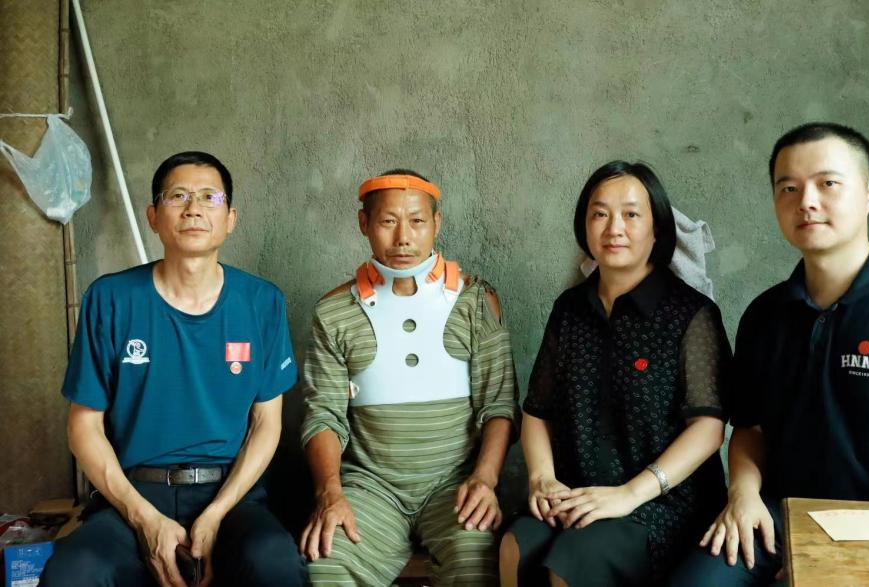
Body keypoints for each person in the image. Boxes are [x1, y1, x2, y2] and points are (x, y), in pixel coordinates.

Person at [669, 123, 869, 586]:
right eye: (788, 188)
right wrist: (742, 493)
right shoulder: (764, 314)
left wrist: (864, 535)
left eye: (827, 183)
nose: (806, 201)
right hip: (779, 520)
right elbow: (750, 428)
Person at [41, 151, 307, 587]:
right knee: (73, 571)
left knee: (274, 561)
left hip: (232, 495)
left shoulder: (262, 302)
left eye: (209, 197)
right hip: (132, 495)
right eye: (178, 196)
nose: (193, 208)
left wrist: (217, 513)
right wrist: (143, 518)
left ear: (230, 218)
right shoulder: (111, 299)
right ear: (153, 216)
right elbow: (83, 427)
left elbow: (267, 424)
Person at [499, 161, 731, 586]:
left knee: (575, 559)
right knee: (518, 544)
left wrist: (629, 494)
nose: (614, 229)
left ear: (657, 230)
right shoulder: (570, 309)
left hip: (663, 501)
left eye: (631, 214)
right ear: (584, 226)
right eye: (600, 214)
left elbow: (709, 429)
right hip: (579, 492)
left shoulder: (691, 314)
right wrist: (542, 479)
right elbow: (537, 411)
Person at [300, 170, 520, 586]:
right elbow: (322, 415)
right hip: (371, 489)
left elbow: (500, 405)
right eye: (388, 221)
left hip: (454, 486)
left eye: (417, 221)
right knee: (326, 563)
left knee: (476, 563)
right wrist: (330, 493)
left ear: (436, 223)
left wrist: (485, 479)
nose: (403, 237)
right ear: (364, 223)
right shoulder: (334, 312)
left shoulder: (475, 302)